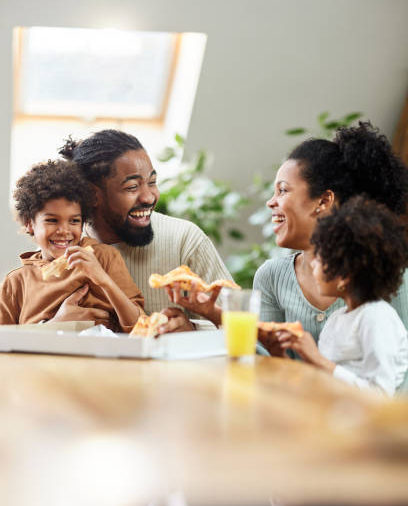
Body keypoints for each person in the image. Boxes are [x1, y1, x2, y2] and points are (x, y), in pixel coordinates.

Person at [169, 122, 408, 369]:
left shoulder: (387, 275)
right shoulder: (272, 276)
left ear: (324, 200)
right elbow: (266, 365)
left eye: (282, 191)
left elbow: (399, 374)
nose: (271, 202)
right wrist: (211, 312)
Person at [56, 130, 232, 333]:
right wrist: (55, 325)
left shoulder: (184, 239)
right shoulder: (62, 248)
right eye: (132, 187)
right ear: (92, 194)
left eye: (152, 182)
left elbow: (247, 332)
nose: (149, 197)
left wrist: (192, 330)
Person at [276, 197, 408, 395]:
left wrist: (317, 358)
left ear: (345, 276)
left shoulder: (376, 318)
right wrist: (280, 354)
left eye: (319, 259)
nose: (312, 265)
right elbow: (321, 382)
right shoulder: (338, 319)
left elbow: (380, 394)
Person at [0, 160, 144, 331]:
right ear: (30, 223)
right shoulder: (16, 282)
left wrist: (104, 280)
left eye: (74, 221)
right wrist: (55, 325)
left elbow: (140, 327)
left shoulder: (103, 257)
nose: (64, 230)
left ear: (83, 223)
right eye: (52, 220)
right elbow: (5, 343)